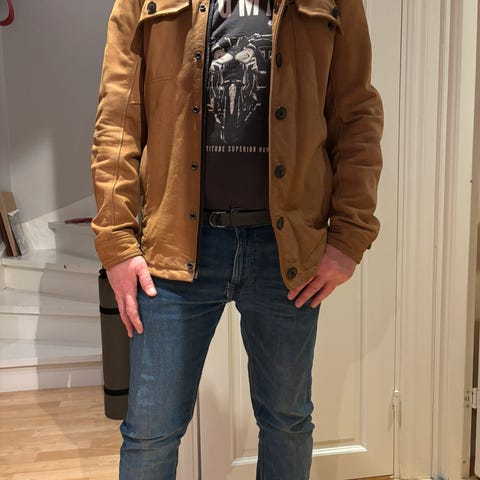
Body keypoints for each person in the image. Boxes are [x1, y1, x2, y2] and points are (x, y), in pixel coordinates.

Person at [90, 0, 383, 478]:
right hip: (173, 245)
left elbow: (357, 114)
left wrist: (350, 235)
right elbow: (117, 117)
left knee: (287, 421)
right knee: (150, 432)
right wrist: (117, 241)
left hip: (285, 250)